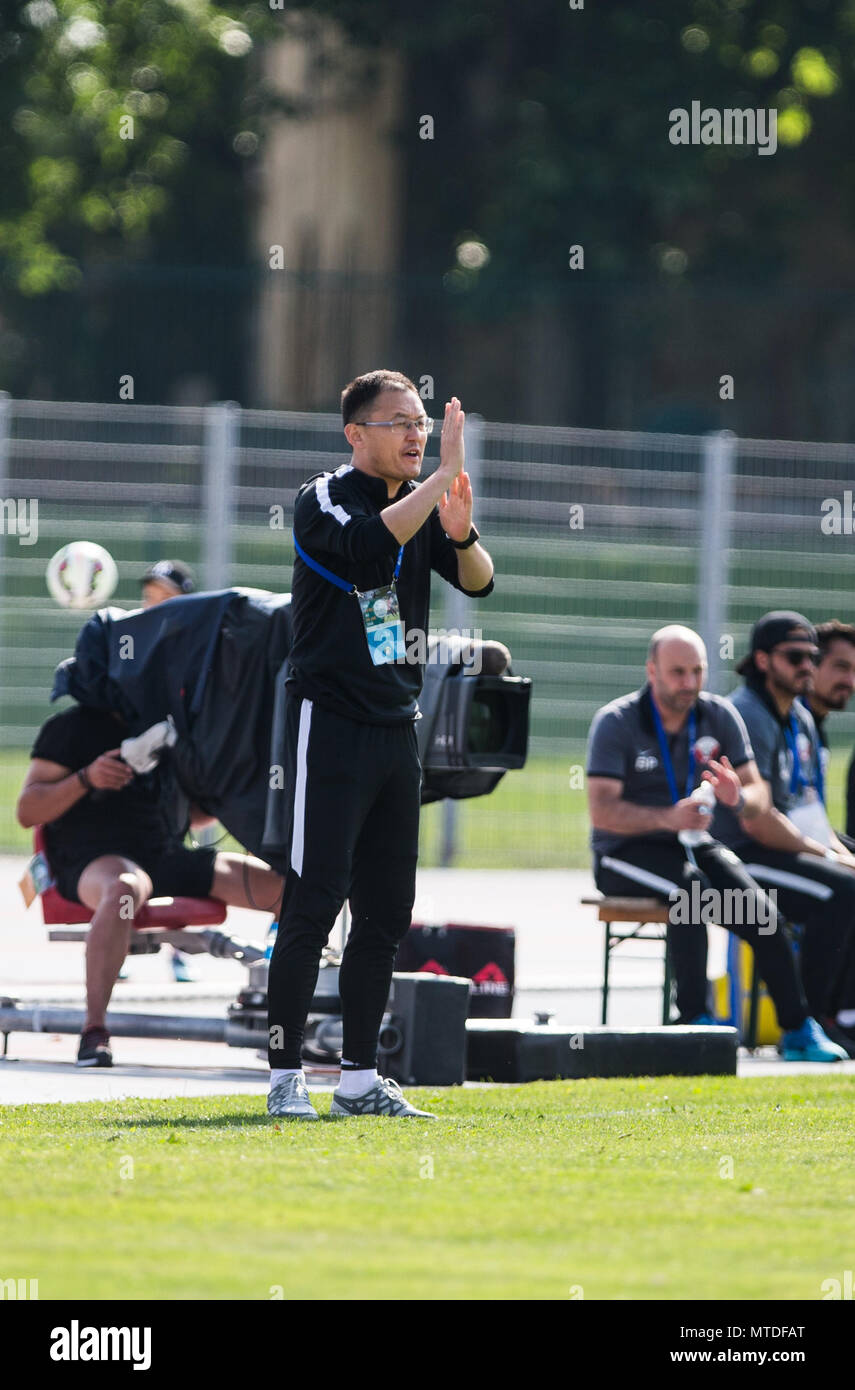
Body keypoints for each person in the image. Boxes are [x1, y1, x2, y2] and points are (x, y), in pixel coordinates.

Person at [266, 370, 495, 1119]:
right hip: (327, 723)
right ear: (354, 434)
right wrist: (437, 482)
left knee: (385, 913)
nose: (415, 433)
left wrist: (458, 528)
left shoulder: (420, 503)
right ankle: (283, 1076)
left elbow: (480, 580)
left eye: (422, 421)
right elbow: (367, 551)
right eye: (397, 421)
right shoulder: (322, 499)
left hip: (397, 727)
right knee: (312, 901)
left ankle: (359, 1081)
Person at [586, 624, 846, 1061]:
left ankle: (798, 1030)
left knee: (762, 910)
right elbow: (603, 810)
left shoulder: (718, 714)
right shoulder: (617, 721)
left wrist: (738, 798)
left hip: (693, 842)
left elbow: (758, 793)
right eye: (677, 673)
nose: (689, 683)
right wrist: (668, 817)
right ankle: (694, 1024)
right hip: (623, 853)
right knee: (691, 894)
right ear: (652, 671)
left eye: (697, 671)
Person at [17, 703, 284, 1067]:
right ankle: (94, 1030)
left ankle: (290, 1020)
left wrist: (229, 779)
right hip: (96, 857)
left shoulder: (172, 723)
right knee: (124, 889)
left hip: (164, 853)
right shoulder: (71, 727)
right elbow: (27, 811)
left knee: (287, 888)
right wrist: (86, 778)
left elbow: (195, 814)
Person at [712, 611, 855, 1040]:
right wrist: (828, 857)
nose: (806, 667)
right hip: (738, 855)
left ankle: (843, 1014)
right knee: (842, 892)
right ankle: (812, 1021)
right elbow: (758, 822)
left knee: (847, 879)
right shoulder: (746, 714)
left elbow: (810, 810)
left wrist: (843, 856)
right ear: (762, 660)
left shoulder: (802, 718)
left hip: (785, 847)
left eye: (812, 657)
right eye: (795, 657)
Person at [139, 558, 199, 982]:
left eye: (165, 597)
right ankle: (119, 947)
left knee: (179, 848)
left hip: (180, 769)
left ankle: (178, 950)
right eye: (149, 597)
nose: (153, 605)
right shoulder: (129, 644)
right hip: (138, 764)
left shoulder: (195, 649)